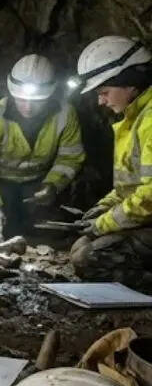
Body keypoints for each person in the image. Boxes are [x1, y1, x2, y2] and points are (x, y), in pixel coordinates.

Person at [0, 55, 85, 239]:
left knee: (45, 227)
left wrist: (52, 185)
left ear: (50, 95)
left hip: (36, 184)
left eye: (37, 101)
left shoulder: (65, 114)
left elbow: (70, 158)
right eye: (21, 99)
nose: (28, 107)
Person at [69, 36, 152, 289]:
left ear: (131, 83)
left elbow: (149, 196)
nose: (101, 101)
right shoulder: (133, 119)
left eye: (104, 92)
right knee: (81, 248)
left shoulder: (150, 121)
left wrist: (103, 224)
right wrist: (102, 208)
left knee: (89, 258)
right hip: (146, 219)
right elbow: (129, 186)